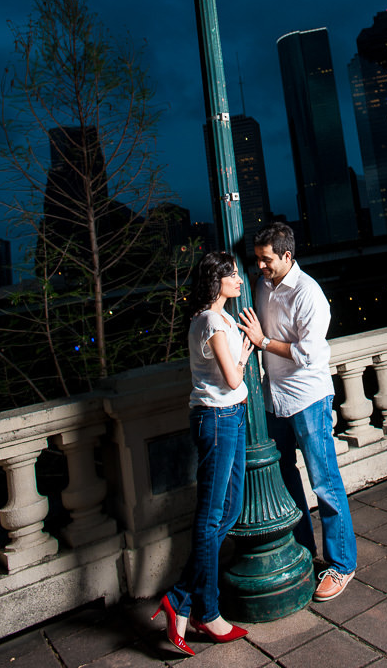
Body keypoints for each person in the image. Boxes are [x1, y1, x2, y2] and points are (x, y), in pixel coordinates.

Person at [238, 223, 357, 602]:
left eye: (266, 259)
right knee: (286, 481)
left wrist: (263, 342)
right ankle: (305, 553)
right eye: (257, 259)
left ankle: (342, 566)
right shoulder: (261, 285)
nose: (260, 266)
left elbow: (307, 354)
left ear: (287, 256)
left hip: (308, 398)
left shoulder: (309, 295)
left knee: (324, 482)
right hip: (275, 400)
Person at [151, 251, 254, 657]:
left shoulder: (217, 319)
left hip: (228, 416)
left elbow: (228, 373)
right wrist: (246, 355)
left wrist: (243, 350)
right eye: (232, 275)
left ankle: (179, 598)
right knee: (213, 516)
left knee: (228, 511)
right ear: (216, 280)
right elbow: (231, 379)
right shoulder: (211, 320)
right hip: (218, 419)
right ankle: (205, 612)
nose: (239, 280)